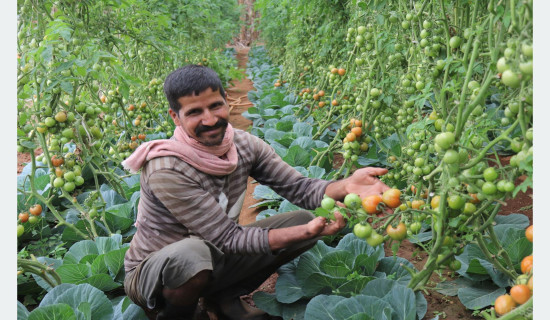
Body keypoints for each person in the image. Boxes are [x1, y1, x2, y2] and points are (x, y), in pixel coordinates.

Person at [122, 65, 390, 320]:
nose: (210, 119)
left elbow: (300, 188)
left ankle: (223, 296)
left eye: (215, 105)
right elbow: (228, 239)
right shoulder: (166, 168)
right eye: (195, 112)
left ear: (226, 101)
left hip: (214, 255)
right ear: (175, 117)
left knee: (301, 220)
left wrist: (346, 186)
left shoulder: (244, 145)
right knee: (192, 254)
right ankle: (177, 315)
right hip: (153, 275)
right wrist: (306, 233)